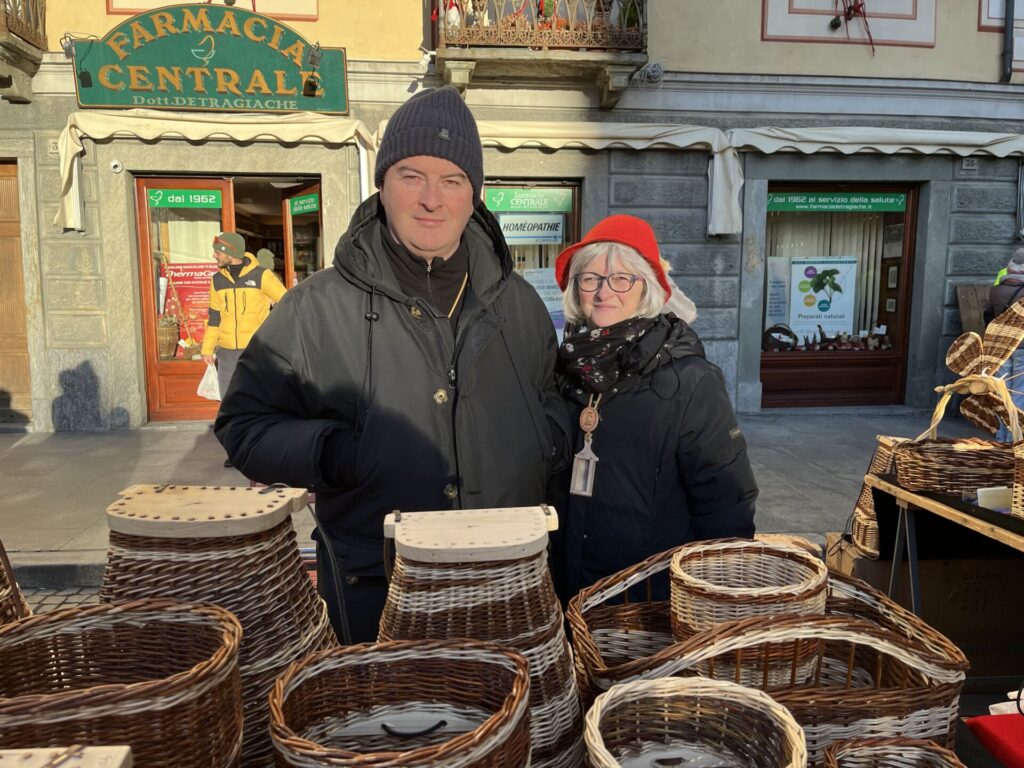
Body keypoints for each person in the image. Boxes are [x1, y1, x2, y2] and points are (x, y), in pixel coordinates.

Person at [214, 86, 569, 643]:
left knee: (501, 725)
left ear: (474, 196)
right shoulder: (317, 306)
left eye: (452, 180)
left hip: (504, 578)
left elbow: (554, 398)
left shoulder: (518, 302)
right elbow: (243, 426)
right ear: (382, 185)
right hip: (377, 582)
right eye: (411, 175)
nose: (432, 198)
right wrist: (335, 454)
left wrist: (543, 440)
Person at [548, 214, 758, 603]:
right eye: (590, 278)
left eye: (621, 278)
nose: (603, 292)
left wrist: (710, 598)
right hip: (564, 596)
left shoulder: (691, 381)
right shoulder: (562, 370)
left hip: (647, 605)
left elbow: (726, 506)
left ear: (646, 287)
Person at [986, 249, 1024, 441]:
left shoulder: (996, 289)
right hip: (1022, 347)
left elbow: (988, 316)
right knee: (1019, 393)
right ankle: (1014, 438)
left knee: (1002, 392)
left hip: (1001, 347)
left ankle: (1001, 435)